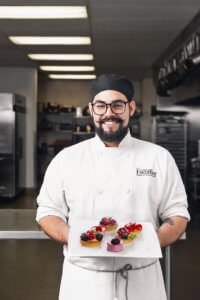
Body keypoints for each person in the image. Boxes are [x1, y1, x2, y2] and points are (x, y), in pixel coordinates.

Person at [36, 74, 190, 300]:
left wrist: (150, 241)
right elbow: (48, 212)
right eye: (101, 105)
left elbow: (177, 213)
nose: (109, 113)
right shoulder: (67, 159)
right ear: (91, 109)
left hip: (142, 279)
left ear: (131, 107)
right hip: (84, 279)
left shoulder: (158, 157)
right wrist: (78, 238)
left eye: (118, 105)